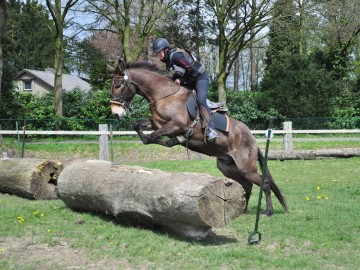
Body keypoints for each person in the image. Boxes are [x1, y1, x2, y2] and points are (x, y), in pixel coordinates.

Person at [152, 37, 218, 142]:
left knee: (201, 100)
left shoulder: (176, 56)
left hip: (200, 78)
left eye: (159, 52)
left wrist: (180, 79)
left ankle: (211, 129)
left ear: (165, 50)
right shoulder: (169, 61)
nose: (158, 55)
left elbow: (192, 70)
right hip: (191, 81)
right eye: (156, 53)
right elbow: (180, 73)